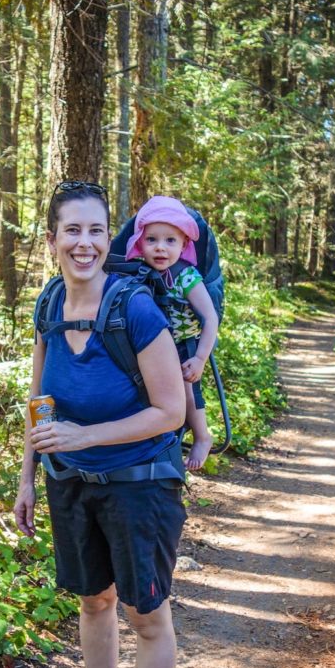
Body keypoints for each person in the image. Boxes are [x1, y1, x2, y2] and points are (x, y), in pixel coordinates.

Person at [14, 180, 187, 668]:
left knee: (146, 615)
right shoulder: (48, 305)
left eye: (96, 230)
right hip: (70, 484)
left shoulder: (134, 308)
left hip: (140, 486)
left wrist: (86, 434)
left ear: (107, 238)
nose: (84, 243)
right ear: (52, 239)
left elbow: (170, 411)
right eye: (72, 231)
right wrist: (27, 480)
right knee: (94, 601)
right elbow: (39, 402)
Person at [125, 195, 220, 470]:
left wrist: (200, 358)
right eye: (152, 239)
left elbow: (210, 317)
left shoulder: (185, 276)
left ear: (184, 244)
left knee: (187, 393)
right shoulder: (135, 274)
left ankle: (202, 436)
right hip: (150, 347)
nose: (160, 248)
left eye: (170, 241)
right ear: (140, 242)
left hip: (183, 345)